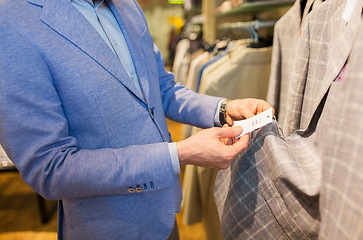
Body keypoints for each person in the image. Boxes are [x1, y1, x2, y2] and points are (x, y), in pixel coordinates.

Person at [0, 0, 272, 239]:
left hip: (163, 212)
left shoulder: (127, 6)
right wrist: (179, 155)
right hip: (108, 226)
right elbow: (51, 167)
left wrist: (223, 109)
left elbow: (160, 87)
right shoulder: (12, 23)